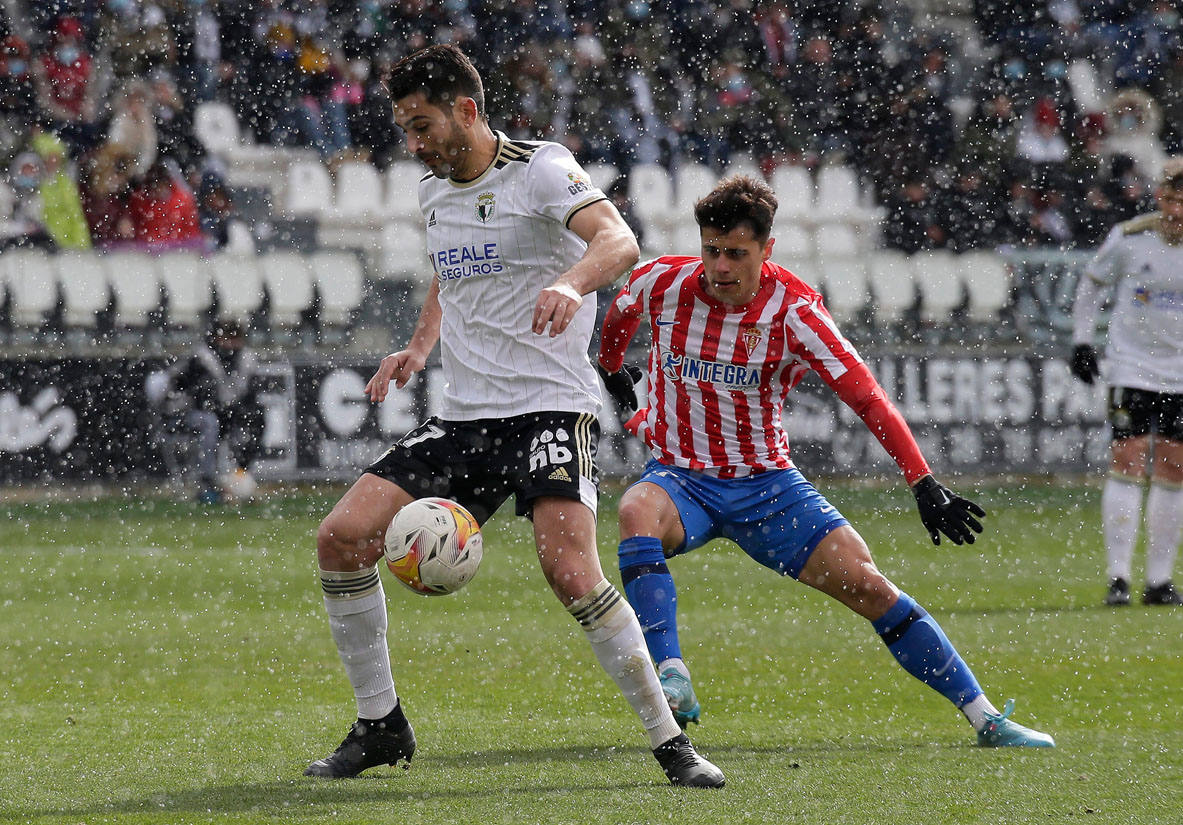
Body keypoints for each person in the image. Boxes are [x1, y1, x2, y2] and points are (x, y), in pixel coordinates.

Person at [305, 44, 724, 788]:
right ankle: (380, 723)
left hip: (549, 409)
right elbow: (449, 267)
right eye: (404, 128)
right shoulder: (435, 191)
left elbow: (616, 240)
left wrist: (569, 281)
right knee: (340, 538)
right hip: (465, 416)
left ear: (466, 110)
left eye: (422, 124)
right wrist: (419, 344)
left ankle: (670, 743)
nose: (414, 143)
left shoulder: (540, 167)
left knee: (568, 570)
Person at [596, 175, 1055, 748]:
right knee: (636, 508)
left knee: (869, 587)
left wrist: (923, 483)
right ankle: (672, 676)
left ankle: (986, 717)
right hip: (681, 479)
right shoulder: (662, 282)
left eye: (736, 253)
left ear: (767, 249)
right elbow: (619, 313)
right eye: (712, 250)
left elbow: (866, 395)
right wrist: (615, 369)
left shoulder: (796, 313)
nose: (720, 266)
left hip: (768, 485)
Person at [1070, 158, 1183, 607]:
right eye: (1171, 199)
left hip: (1182, 373)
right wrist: (1082, 341)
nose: (1175, 211)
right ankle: (1118, 577)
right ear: (1160, 197)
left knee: (1174, 466)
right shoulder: (1131, 238)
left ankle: (1159, 582)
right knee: (1129, 458)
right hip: (1131, 366)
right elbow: (1091, 285)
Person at [162, 318, 263, 504]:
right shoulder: (202, 358)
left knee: (252, 420)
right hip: (190, 414)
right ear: (217, 339)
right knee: (210, 423)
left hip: (227, 413)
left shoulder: (247, 359)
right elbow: (193, 395)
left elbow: (250, 397)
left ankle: (239, 477)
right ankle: (207, 484)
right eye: (226, 338)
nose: (231, 344)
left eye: (235, 339)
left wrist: (240, 414)